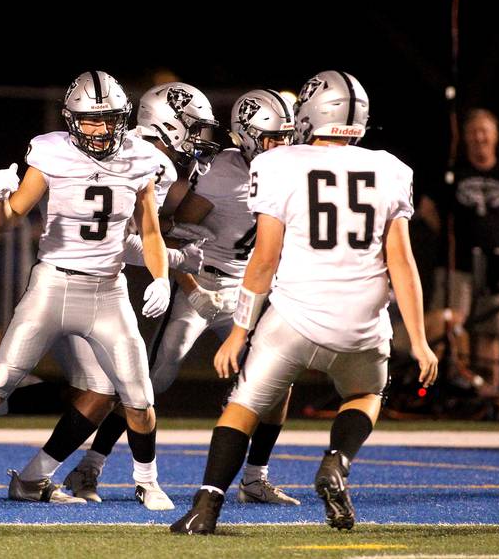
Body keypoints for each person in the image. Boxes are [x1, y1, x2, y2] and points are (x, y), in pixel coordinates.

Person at [170, 70, 438, 535]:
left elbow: (264, 260)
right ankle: (337, 461)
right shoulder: (392, 168)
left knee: (244, 405)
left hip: (294, 320)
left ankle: (205, 508)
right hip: (363, 326)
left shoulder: (279, 164)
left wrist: (238, 331)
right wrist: (419, 340)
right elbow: (403, 264)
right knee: (366, 394)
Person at [0, 70, 175, 511]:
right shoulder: (50, 152)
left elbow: (152, 232)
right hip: (53, 283)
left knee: (138, 395)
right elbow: (8, 220)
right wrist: (0, 196)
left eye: (108, 119)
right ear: (71, 120)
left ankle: (147, 481)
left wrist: (160, 277)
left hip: (108, 291)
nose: (100, 130)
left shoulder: (141, 160)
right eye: (90, 121)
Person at [62, 89, 300, 506]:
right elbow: (176, 234)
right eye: (272, 137)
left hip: (251, 289)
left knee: (279, 379)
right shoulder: (223, 174)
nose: (281, 146)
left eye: (286, 137)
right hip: (203, 283)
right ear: (247, 136)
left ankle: (255, 477)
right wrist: (193, 287)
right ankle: (90, 465)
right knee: (153, 379)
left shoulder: (295, 172)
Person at [422, 109, 499, 397]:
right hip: (457, 265)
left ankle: (491, 396)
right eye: (473, 131)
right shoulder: (453, 173)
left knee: (490, 329)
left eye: (485, 130)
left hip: (496, 263)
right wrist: (449, 237)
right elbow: (425, 206)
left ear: (495, 136)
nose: (479, 137)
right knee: (452, 322)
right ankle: (455, 388)